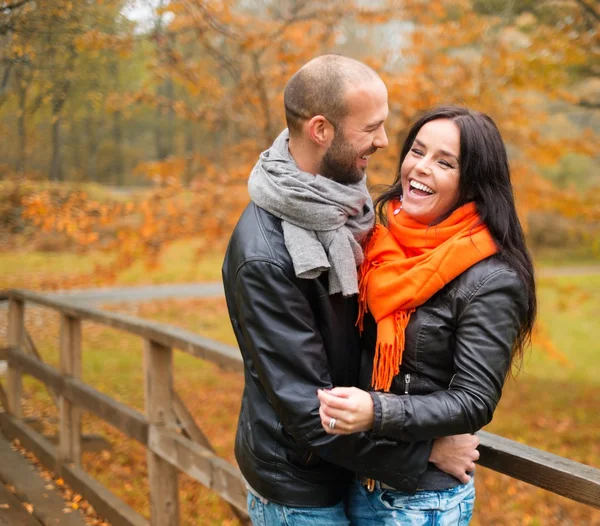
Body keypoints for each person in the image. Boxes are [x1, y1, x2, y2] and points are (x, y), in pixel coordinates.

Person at [222, 56, 479, 525]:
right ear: (321, 129)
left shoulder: (347, 206)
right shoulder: (266, 253)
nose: (384, 142)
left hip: (354, 469)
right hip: (301, 487)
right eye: (372, 128)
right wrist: (424, 453)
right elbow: (306, 406)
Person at [318, 105, 537, 525]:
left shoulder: (492, 278)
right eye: (417, 151)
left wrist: (375, 412)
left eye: (445, 162)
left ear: (472, 182)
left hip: (419, 502)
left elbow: (474, 400)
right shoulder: (381, 245)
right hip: (362, 478)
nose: (420, 168)